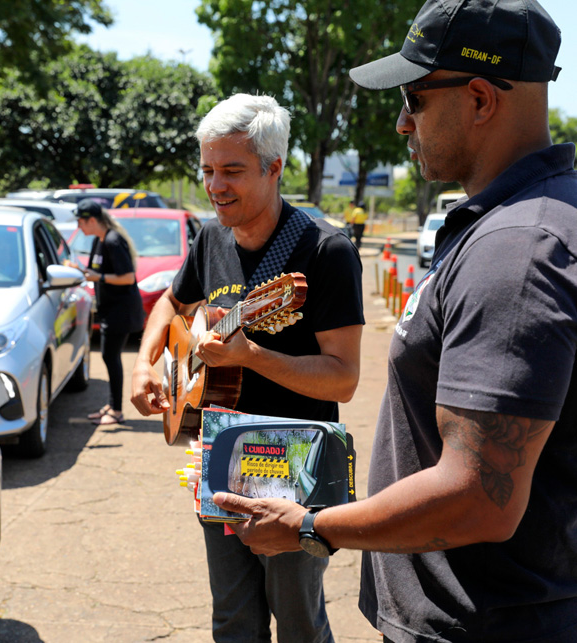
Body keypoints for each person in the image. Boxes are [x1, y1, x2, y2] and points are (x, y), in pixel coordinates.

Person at [208, 2, 577, 642]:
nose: (404, 122)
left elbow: (478, 495)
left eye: (414, 98)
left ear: (482, 98)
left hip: (484, 623)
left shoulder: (515, 250)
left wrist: (310, 526)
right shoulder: (513, 221)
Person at [130, 93, 364, 643]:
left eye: (232, 171)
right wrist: (145, 364)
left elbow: (344, 378)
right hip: (217, 450)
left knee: (299, 622)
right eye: (208, 170)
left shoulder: (325, 251)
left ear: (274, 167)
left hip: (295, 468)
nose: (215, 186)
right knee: (232, 621)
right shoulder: (212, 235)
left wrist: (250, 356)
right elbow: (172, 303)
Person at [74, 199, 144, 425]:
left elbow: (128, 277)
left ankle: (117, 411)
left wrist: (99, 278)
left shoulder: (114, 241)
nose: (79, 227)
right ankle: (112, 405)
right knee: (108, 356)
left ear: (92, 220)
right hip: (107, 310)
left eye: (80, 222)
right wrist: (80, 271)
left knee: (110, 357)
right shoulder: (99, 240)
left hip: (120, 311)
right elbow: (95, 272)